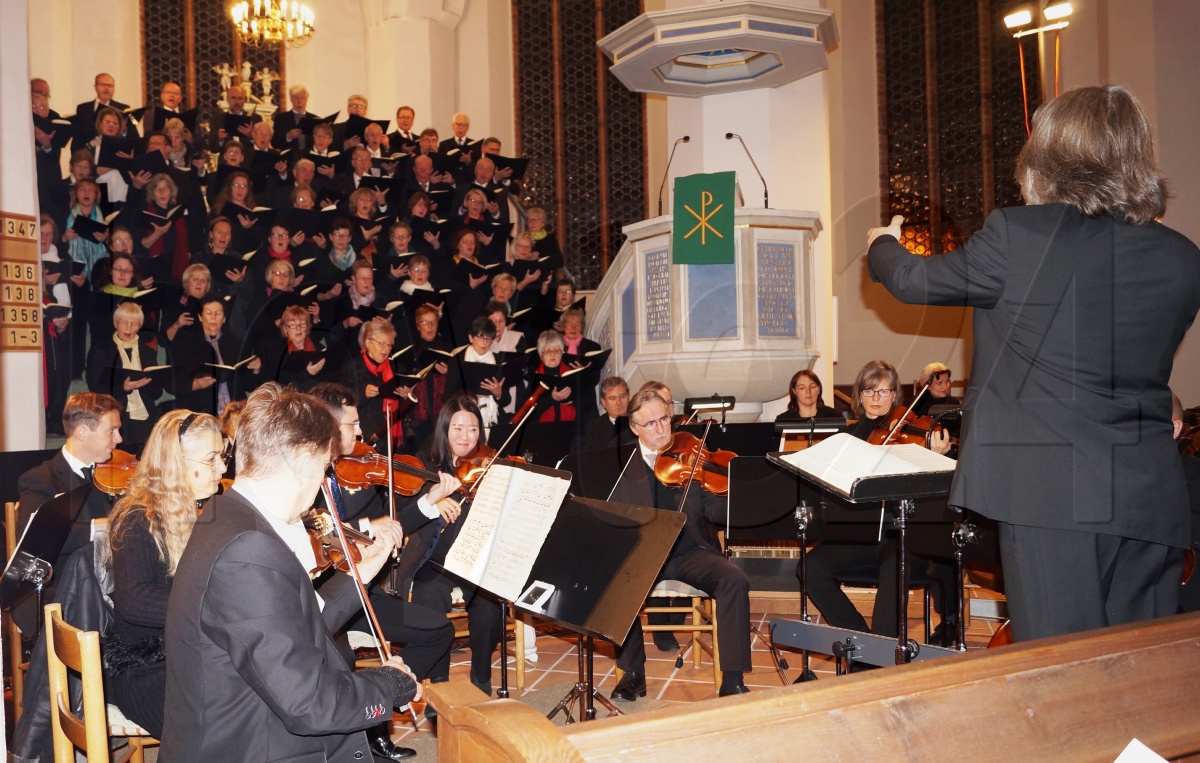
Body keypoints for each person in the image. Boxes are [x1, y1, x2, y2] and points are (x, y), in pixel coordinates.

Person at [866, 85, 1200, 642]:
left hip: (1048, 495)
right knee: (1139, 673)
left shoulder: (1020, 236)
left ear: (1050, 155)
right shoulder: (1183, 258)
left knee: (1059, 669)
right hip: (1149, 494)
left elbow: (910, 279)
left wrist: (882, 244)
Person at [161, 383, 420, 761]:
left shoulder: (225, 515)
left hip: (249, 727)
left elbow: (292, 621)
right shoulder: (249, 550)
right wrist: (388, 686)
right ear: (302, 457)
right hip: (255, 747)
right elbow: (307, 703)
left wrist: (358, 575)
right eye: (324, 466)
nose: (323, 483)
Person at [309, 382, 457, 754]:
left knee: (439, 630)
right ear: (328, 425)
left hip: (364, 591)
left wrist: (428, 501)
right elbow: (314, 533)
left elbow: (389, 524)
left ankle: (384, 697)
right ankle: (365, 737)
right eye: (352, 424)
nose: (360, 432)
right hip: (323, 600)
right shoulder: (305, 477)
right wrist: (364, 528)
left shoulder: (357, 472)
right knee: (339, 660)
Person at [607, 388, 752, 700]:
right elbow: (613, 517)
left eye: (665, 420)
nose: (661, 430)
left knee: (734, 579)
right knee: (618, 581)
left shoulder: (691, 454)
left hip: (689, 550)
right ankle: (633, 675)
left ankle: (733, 678)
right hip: (643, 553)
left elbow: (712, 510)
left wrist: (737, 499)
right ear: (634, 428)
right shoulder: (620, 464)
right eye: (651, 424)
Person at [804, 360, 957, 645]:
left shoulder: (911, 434)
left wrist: (938, 456)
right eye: (870, 391)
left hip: (901, 536)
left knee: (895, 563)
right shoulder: (847, 438)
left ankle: (881, 650)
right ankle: (861, 641)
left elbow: (937, 492)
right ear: (859, 395)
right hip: (860, 537)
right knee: (809, 566)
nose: (877, 399)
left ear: (894, 396)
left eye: (885, 392)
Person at [104, 410, 226, 739]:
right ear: (176, 463)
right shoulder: (136, 518)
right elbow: (135, 601)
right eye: (212, 458)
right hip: (142, 665)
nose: (223, 468)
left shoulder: (201, 511)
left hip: (187, 650)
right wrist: (214, 605)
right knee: (211, 731)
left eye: (222, 457)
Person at [408, 394, 505, 696]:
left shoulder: (486, 465)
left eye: (473, 429)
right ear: (444, 428)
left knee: (490, 607)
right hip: (436, 560)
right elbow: (407, 508)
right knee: (427, 600)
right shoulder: (425, 464)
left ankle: (481, 679)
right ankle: (439, 686)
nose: (466, 437)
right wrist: (434, 500)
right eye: (458, 429)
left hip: (474, 559)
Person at [13, 392, 122, 633]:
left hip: (110, 583)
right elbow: (33, 542)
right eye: (111, 431)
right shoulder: (41, 479)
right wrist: (102, 526)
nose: (119, 438)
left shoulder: (113, 472)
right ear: (82, 432)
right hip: (62, 587)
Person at [86, 302, 166, 446]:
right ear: (116, 324)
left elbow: (157, 392)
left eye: (134, 324)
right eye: (125, 322)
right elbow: (95, 388)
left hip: (145, 416)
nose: (129, 328)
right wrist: (123, 388)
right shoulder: (101, 350)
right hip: (115, 417)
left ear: (140, 326)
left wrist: (144, 384)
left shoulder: (147, 352)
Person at [582, 376, 632, 452]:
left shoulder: (638, 420)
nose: (619, 403)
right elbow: (589, 458)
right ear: (603, 402)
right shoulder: (594, 427)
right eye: (613, 398)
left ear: (628, 397)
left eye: (622, 396)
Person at [775, 369, 840, 421]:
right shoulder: (784, 420)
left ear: (819, 389)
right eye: (802, 388)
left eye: (812, 386)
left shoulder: (834, 416)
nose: (808, 391)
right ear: (794, 391)